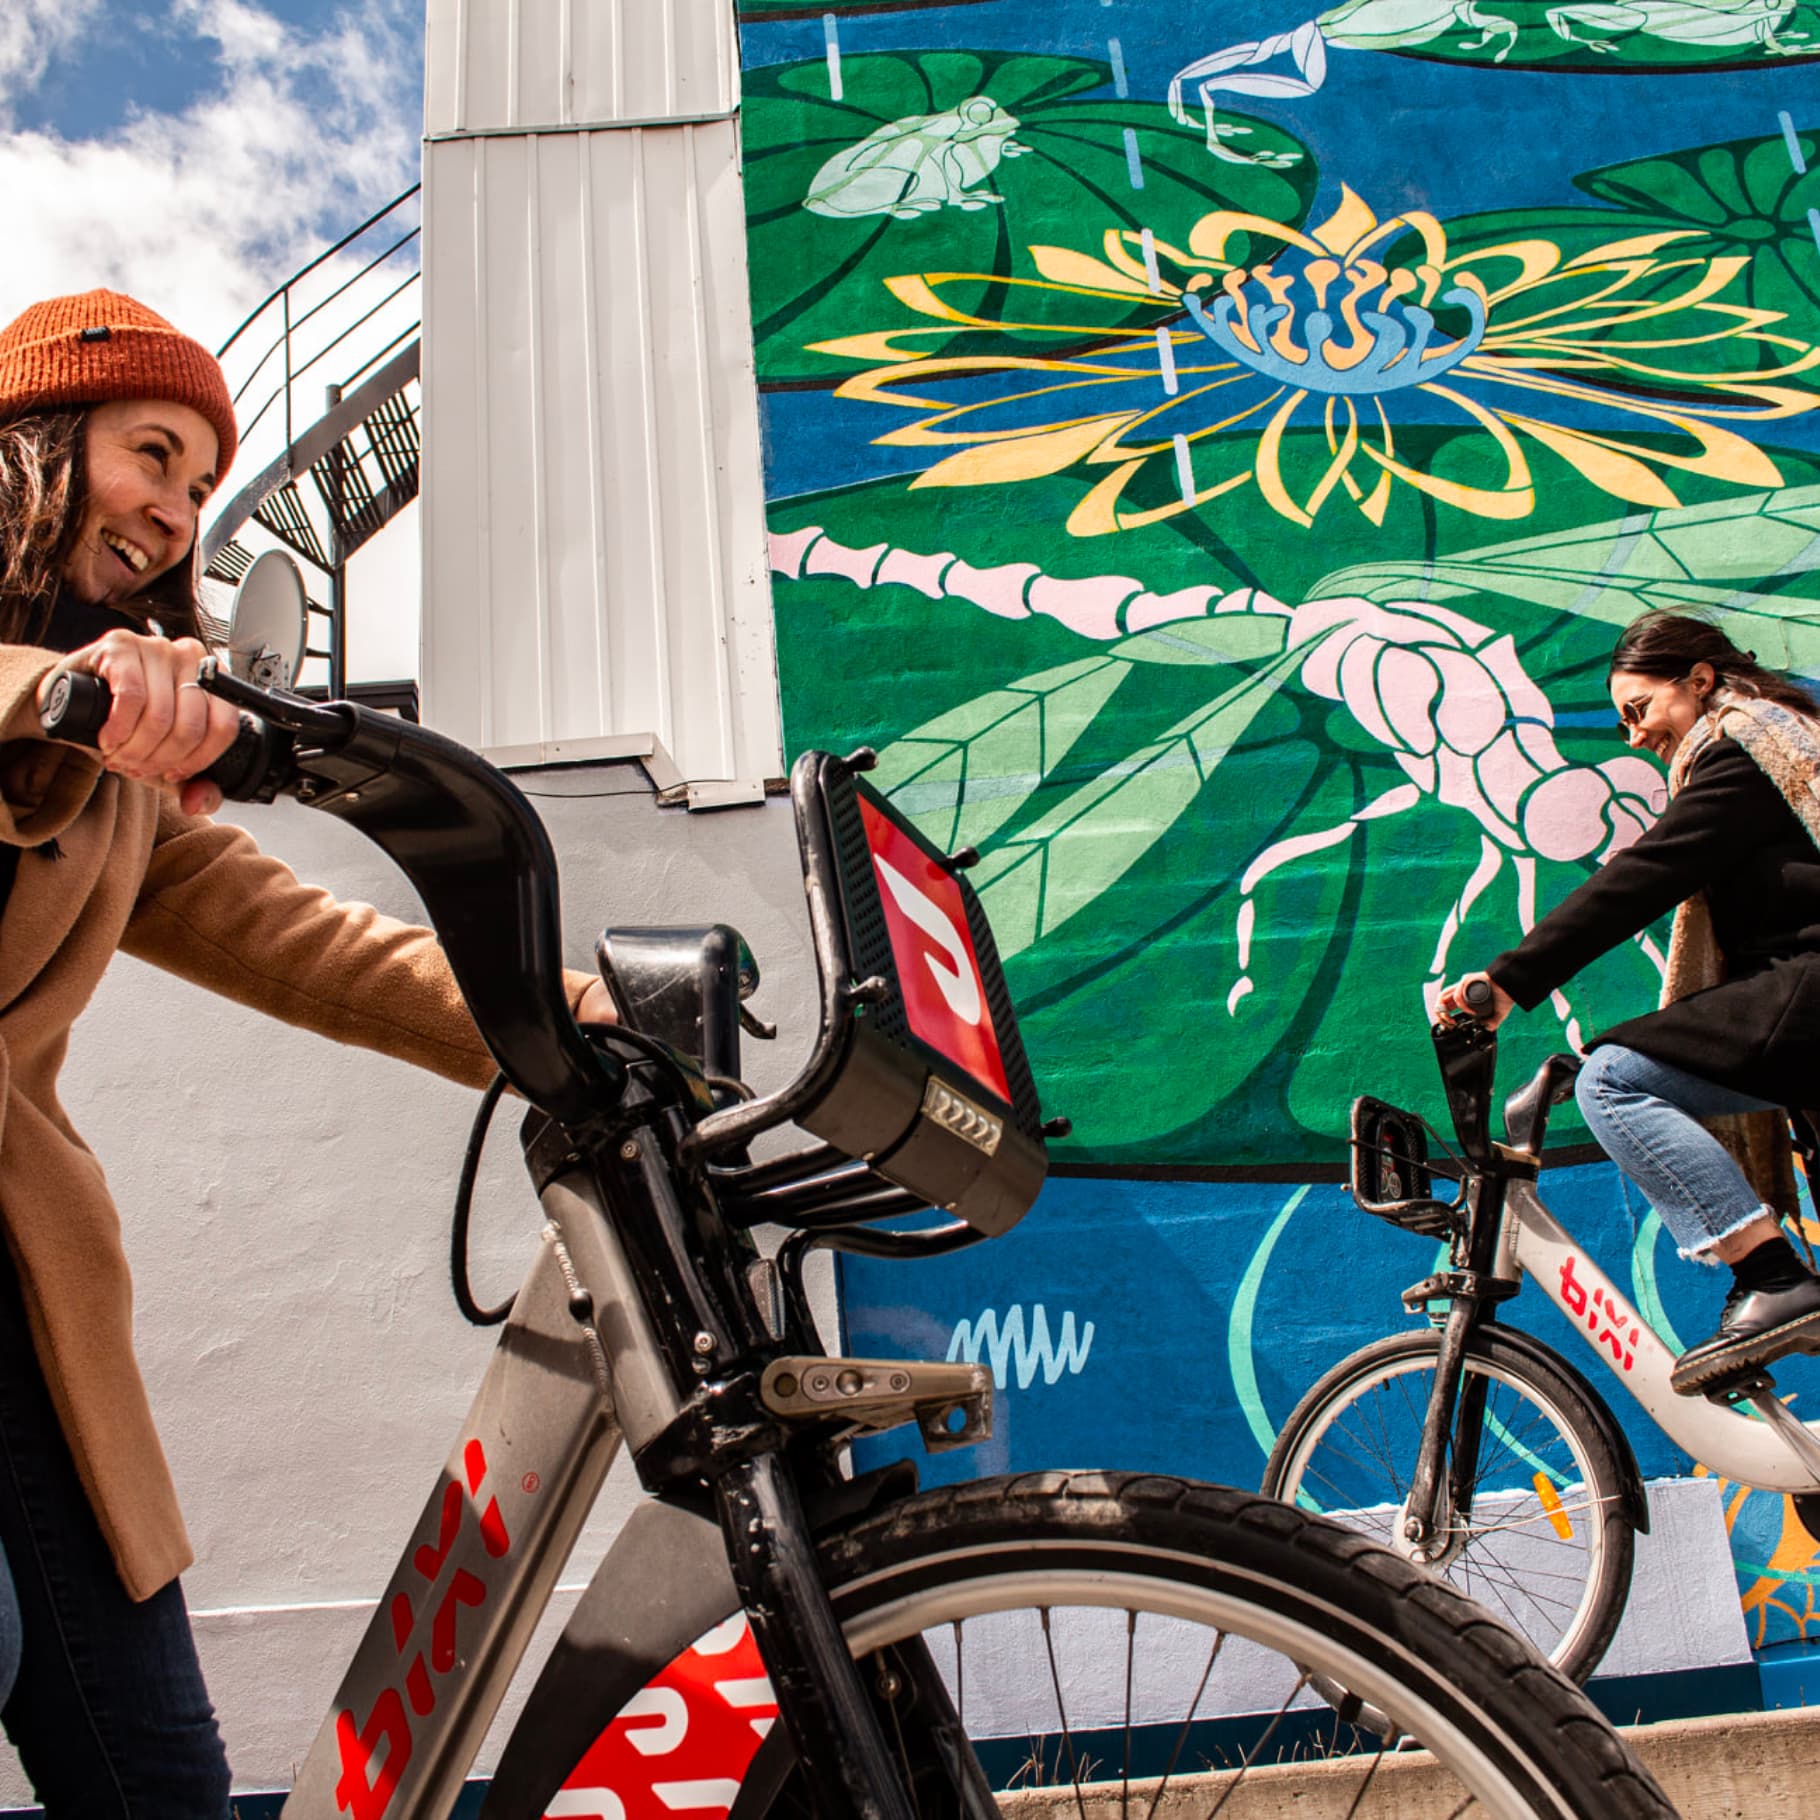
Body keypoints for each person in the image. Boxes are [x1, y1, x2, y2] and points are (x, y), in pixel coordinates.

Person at [0, 289, 614, 1816]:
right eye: (153, 453)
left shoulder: (118, 774)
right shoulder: (72, 695)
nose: (178, 509)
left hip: (27, 1309)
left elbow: (318, 950)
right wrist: (63, 693)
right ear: (32, 446)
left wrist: (591, 1020)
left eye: (204, 485)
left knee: (156, 1770)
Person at [1439, 608, 1820, 1400]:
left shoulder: (1746, 756)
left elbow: (1641, 879)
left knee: (1613, 1079)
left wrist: (1506, 982)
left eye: (1639, 709)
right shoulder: (1787, 743)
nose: (1632, 735)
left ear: (1701, 681)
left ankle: (1771, 1272)